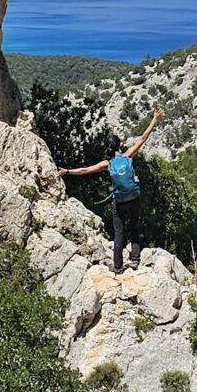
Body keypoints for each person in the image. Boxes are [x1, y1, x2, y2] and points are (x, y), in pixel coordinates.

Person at [62, 108, 163, 275]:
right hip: (134, 198)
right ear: (119, 145)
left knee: (119, 232)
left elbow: (85, 170)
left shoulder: (107, 164)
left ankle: (117, 266)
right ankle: (136, 259)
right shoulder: (128, 156)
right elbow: (143, 137)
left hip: (120, 201)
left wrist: (67, 171)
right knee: (135, 227)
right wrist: (155, 119)